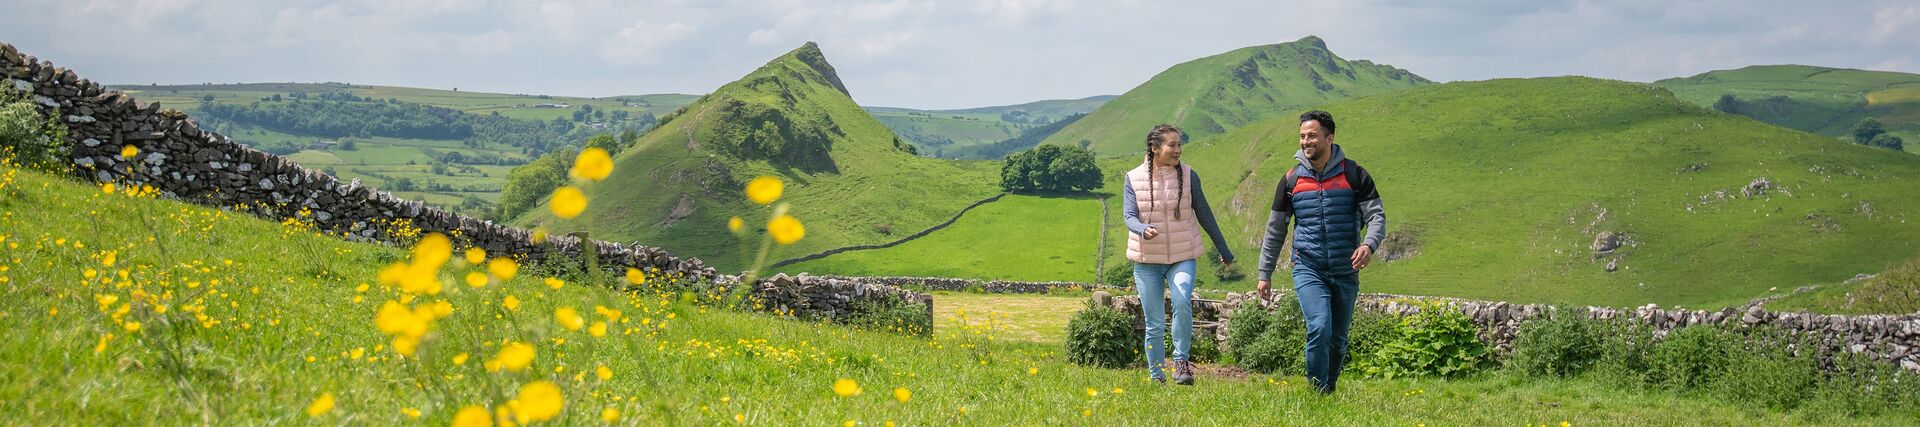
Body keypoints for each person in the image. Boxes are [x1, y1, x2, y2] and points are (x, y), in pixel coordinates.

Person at [1255, 110, 1387, 394]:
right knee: (1319, 326)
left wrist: (1368, 244)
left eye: (1312, 135)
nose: (1306, 141)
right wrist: (1264, 273)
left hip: (1345, 268)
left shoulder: (1354, 174)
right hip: (1308, 265)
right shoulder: (1291, 180)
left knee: (1338, 339)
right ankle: (1318, 392)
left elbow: (1377, 216)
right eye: (1302, 136)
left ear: (1330, 137)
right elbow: (1275, 230)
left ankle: (1329, 388)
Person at [1123, 124, 1235, 385]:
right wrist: (1142, 229)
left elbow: (1205, 214)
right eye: (1172, 145)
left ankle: (1181, 362)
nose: (1178, 150)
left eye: (1179, 144)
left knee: (1182, 300)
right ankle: (1156, 376)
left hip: (1182, 255)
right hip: (1147, 260)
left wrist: (1224, 249)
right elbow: (1129, 215)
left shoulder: (1189, 175)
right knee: (1154, 322)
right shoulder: (1133, 178)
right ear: (1155, 148)